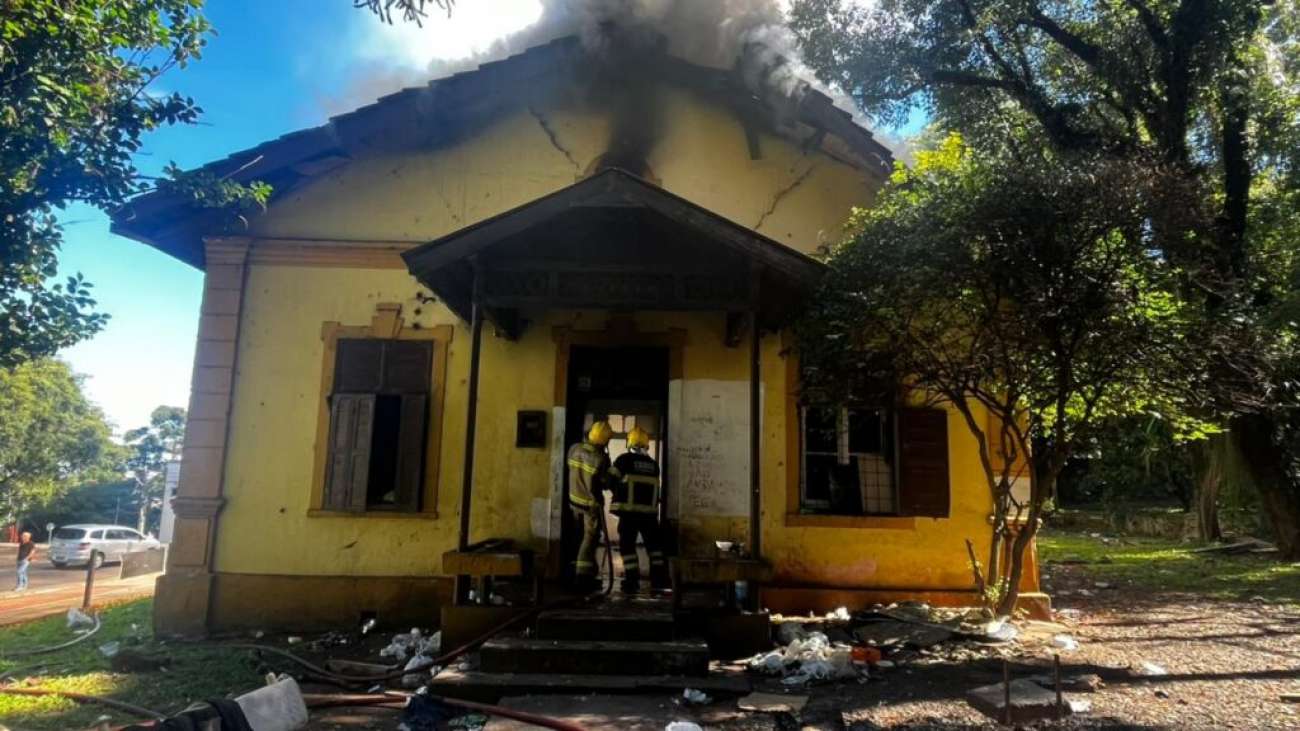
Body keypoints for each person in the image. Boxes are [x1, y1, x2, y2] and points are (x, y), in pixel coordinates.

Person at [609, 426, 668, 594]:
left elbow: (609, 480)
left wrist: (617, 489)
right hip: (649, 515)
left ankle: (632, 581)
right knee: (655, 548)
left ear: (630, 442)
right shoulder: (654, 465)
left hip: (629, 514)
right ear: (646, 444)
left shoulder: (624, 460)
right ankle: (658, 580)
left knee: (627, 547)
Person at [567, 420, 613, 592]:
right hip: (590, 506)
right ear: (605, 441)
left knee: (577, 537)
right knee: (590, 539)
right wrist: (608, 464)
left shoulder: (574, 449)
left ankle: (581, 572)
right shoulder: (600, 459)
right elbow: (606, 484)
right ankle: (582, 578)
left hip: (573, 502)